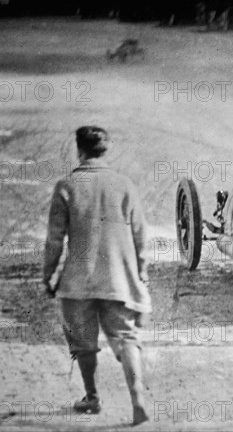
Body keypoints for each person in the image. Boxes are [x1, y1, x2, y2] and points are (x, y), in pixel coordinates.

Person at [42, 126, 151, 425]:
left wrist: (48, 276)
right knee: (127, 338)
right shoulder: (124, 185)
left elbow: (54, 240)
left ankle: (92, 397)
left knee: (83, 344)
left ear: (80, 150)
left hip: (77, 283)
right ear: (106, 150)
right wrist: (141, 273)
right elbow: (141, 235)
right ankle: (138, 398)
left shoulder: (66, 186)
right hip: (119, 281)